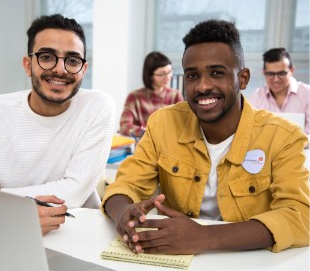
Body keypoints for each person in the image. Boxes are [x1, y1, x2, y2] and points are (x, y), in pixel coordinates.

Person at [102, 19, 309, 255]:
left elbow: (299, 216)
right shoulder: (163, 123)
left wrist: (203, 237)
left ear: (243, 78)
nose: (202, 86)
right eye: (192, 75)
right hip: (174, 258)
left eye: (216, 73)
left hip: (249, 259)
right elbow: (124, 185)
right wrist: (123, 215)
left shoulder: (282, 136)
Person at [0, 14, 115, 235]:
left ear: (83, 69)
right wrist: (12, 214)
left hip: (77, 235)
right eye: (47, 57)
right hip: (4, 232)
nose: (60, 69)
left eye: (72, 60)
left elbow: (76, 191)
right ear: (28, 65)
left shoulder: (97, 106)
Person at [119, 51, 183, 137]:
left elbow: (183, 125)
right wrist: (148, 133)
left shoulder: (175, 95)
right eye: (162, 74)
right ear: (150, 76)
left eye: (170, 71)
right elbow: (125, 126)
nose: (168, 76)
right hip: (144, 146)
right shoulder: (134, 97)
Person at [248, 48, 309, 134]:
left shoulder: (307, 94)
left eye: (282, 73)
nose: (276, 79)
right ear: (264, 72)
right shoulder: (256, 97)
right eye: (270, 74)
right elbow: (249, 130)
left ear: (291, 71)